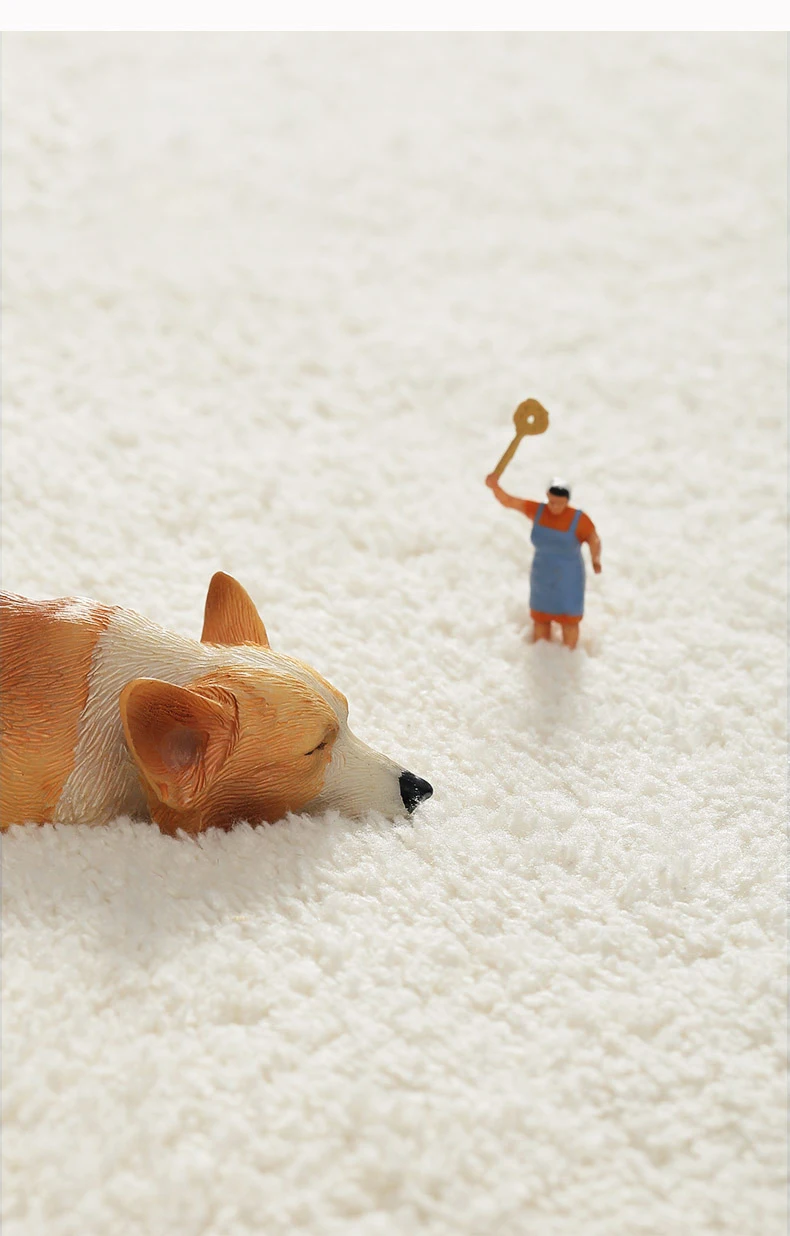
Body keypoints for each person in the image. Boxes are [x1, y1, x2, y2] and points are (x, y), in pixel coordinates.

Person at [485, 473, 602, 649]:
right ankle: (542, 652)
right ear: (547, 496)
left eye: (560, 503)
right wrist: (495, 487)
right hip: (542, 574)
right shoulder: (538, 511)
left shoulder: (578, 519)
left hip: (568, 577)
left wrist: (595, 558)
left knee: (569, 620)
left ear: (567, 501)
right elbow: (510, 501)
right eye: (552, 502)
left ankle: (569, 653)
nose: (555, 507)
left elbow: (593, 538)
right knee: (541, 618)